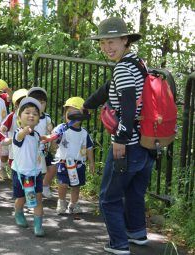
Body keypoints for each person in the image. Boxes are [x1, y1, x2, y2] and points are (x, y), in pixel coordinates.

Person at [84, 17, 154, 255]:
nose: (107, 48)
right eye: (102, 43)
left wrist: (120, 140)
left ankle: (118, 244)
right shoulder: (137, 62)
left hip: (129, 143)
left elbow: (127, 107)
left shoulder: (123, 67)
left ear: (125, 40)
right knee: (134, 192)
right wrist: (86, 106)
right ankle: (137, 233)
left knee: (108, 197)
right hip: (146, 142)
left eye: (111, 41)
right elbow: (108, 88)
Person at [48, 97, 95, 214]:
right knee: (63, 184)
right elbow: (54, 142)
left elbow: (89, 148)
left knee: (76, 186)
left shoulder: (84, 133)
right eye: (70, 113)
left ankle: (73, 204)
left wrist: (92, 163)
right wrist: (54, 139)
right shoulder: (62, 129)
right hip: (64, 162)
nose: (73, 117)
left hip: (78, 164)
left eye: (77, 114)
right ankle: (61, 201)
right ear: (65, 114)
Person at [11, 97, 45, 237]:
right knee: (21, 198)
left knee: (37, 199)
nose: (31, 115)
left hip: (35, 174)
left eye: (35, 114)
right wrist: (25, 131)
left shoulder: (37, 135)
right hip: (20, 173)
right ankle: (18, 212)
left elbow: (37, 150)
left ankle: (38, 225)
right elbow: (19, 137)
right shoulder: (19, 134)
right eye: (27, 112)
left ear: (38, 119)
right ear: (19, 117)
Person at [27, 87, 55, 199]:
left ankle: (45, 185)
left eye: (42, 103)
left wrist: (51, 135)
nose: (39, 106)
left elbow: (51, 131)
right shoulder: (29, 116)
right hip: (31, 149)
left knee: (53, 168)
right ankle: (31, 190)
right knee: (34, 171)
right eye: (36, 103)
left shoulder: (47, 117)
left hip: (44, 149)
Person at [1, 88, 28, 166]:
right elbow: (3, 127)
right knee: (15, 166)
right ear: (16, 105)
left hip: (27, 146)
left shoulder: (31, 115)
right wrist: (3, 129)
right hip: (14, 147)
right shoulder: (12, 116)